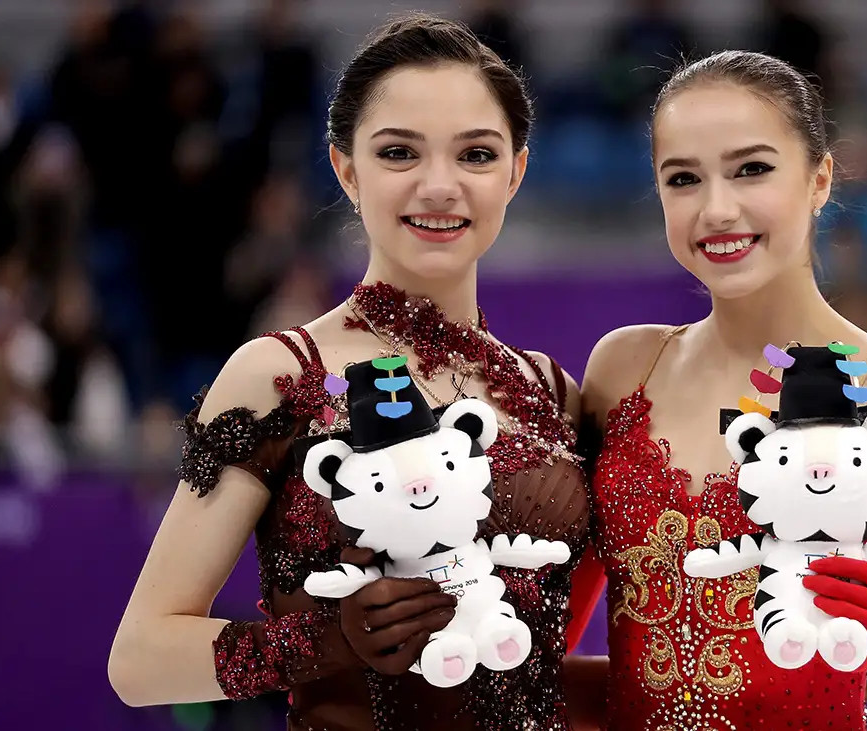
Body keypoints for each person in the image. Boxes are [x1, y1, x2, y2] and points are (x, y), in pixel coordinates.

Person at [108, 14, 603, 731]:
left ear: (516, 172)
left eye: (476, 154)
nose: (440, 186)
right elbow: (139, 659)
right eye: (400, 152)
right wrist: (325, 640)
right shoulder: (280, 371)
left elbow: (548, 659)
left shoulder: (550, 389)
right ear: (346, 169)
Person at [576, 51, 867, 730]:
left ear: (820, 178)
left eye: (752, 169)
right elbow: (553, 646)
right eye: (683, 179)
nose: (717, 208)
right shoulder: (623, 368)